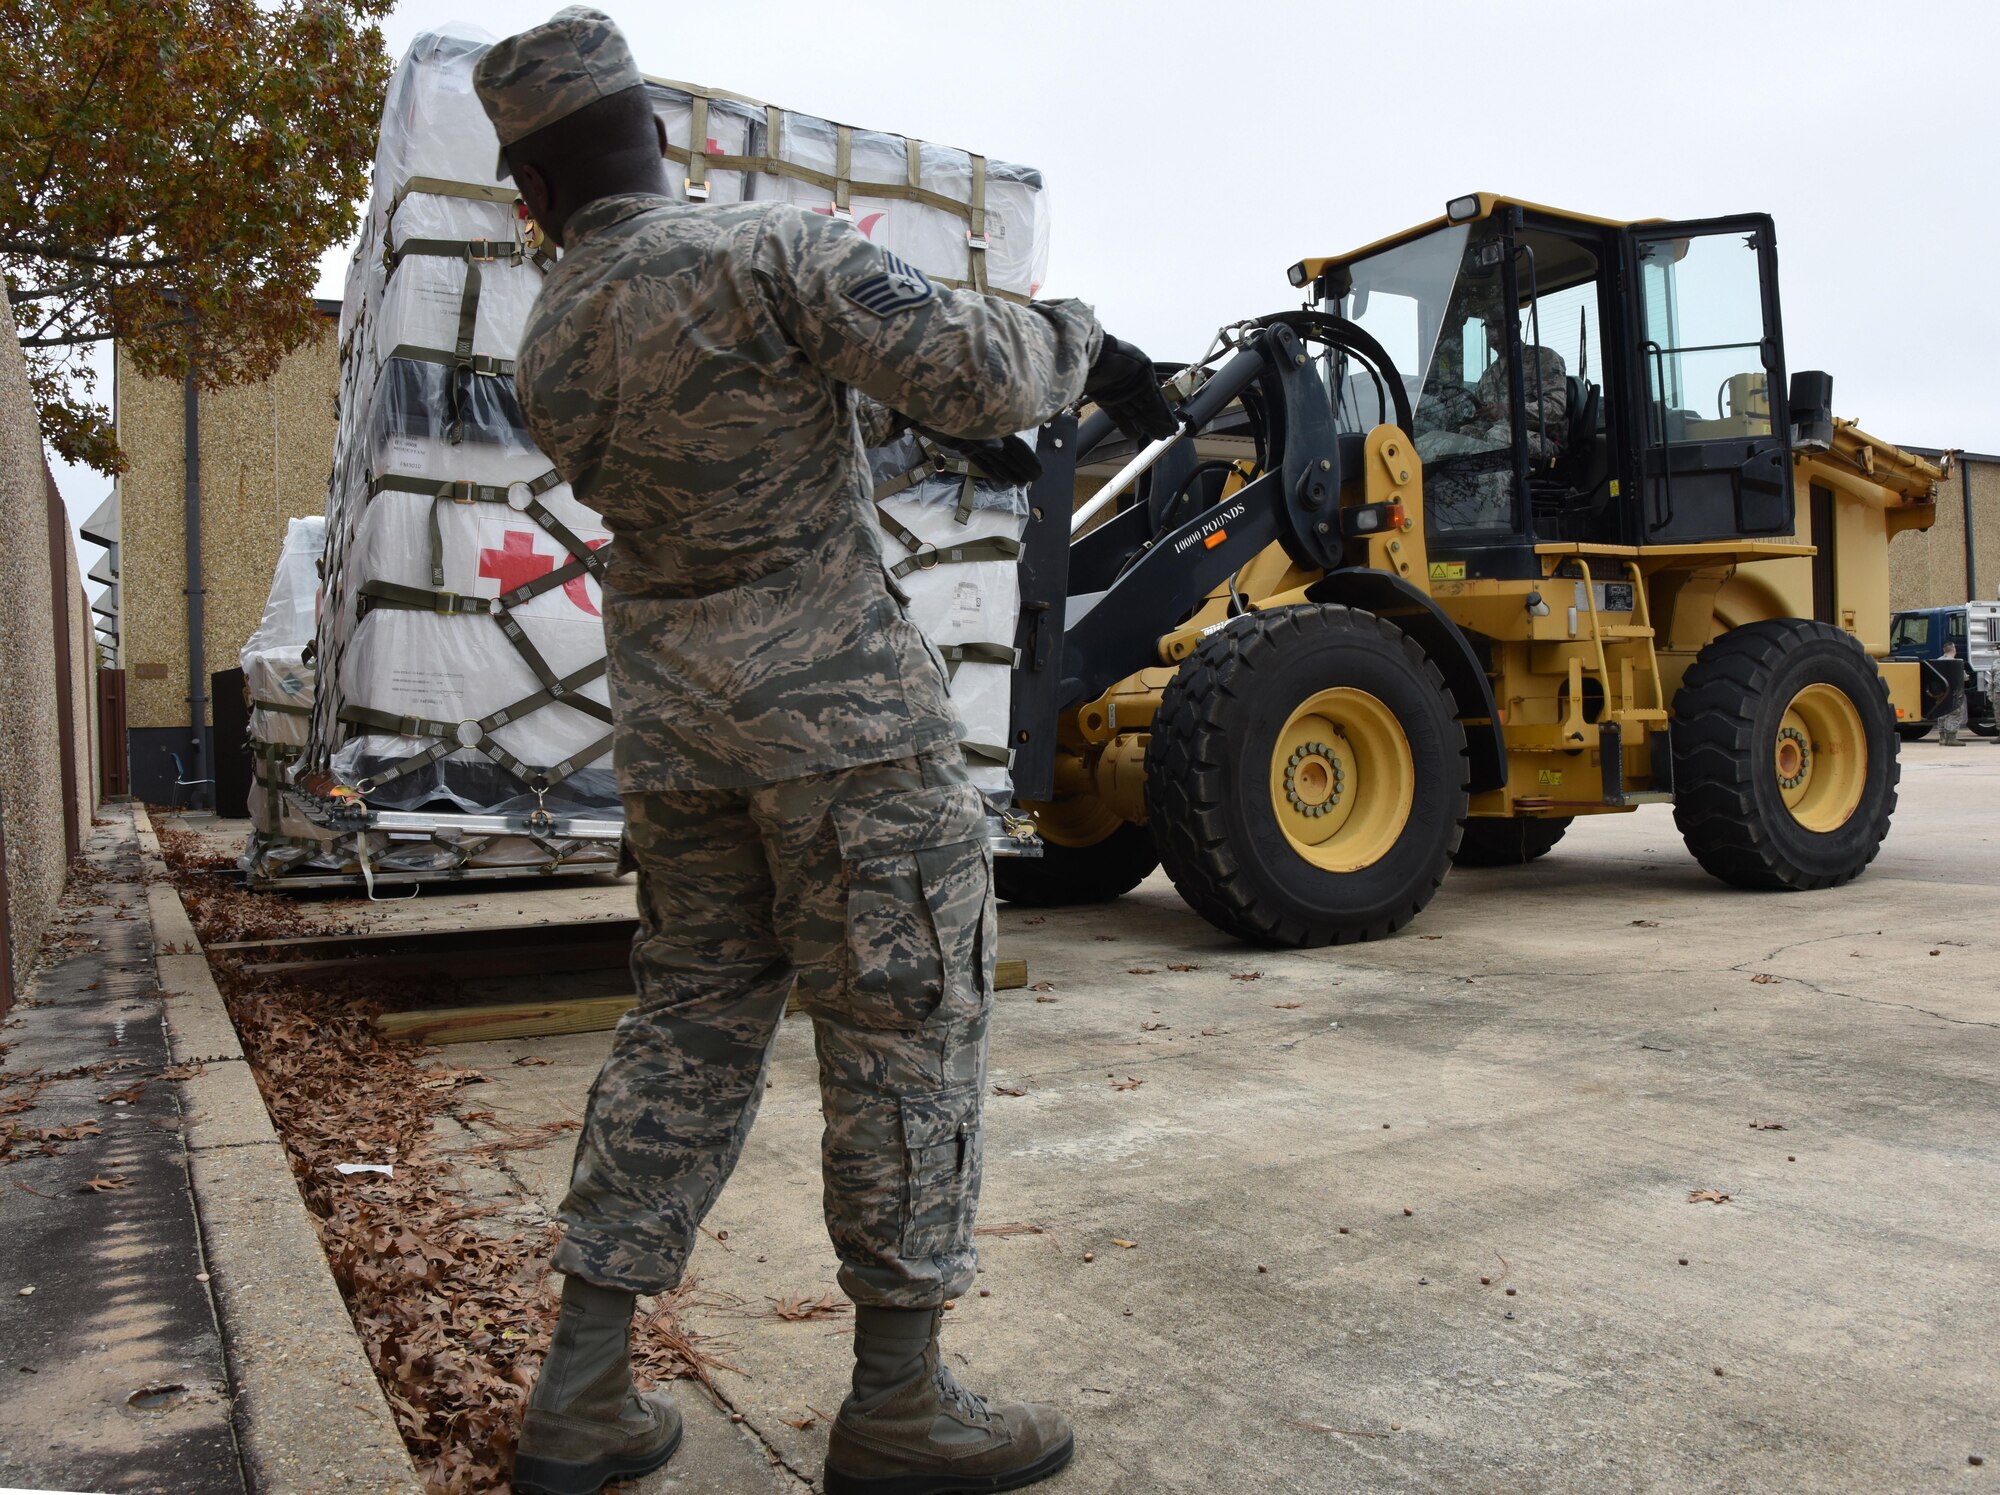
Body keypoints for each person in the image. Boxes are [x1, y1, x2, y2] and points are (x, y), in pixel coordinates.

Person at [470, 12, 1178, 1495]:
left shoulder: (548, 337)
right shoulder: (765, 253)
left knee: (686, 1029)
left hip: (678, 734)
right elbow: (986, 372)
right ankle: (902, 1403)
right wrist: (1086, 343)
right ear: (650, 131)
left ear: (527, 188)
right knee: (902, 1029)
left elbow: (740, 447)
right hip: (846, 726)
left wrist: (908, 432)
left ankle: (583, 1391)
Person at [1936, 640, 1968, 746]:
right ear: (1954, 649)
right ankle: (1951, 738)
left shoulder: (1937, 661)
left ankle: (1942, 737)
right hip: (1953, 693)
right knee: (1955, 714)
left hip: (1940, 693)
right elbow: (1963, 677)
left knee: (1942, 713)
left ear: (1943, 650)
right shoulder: (1956, 662)